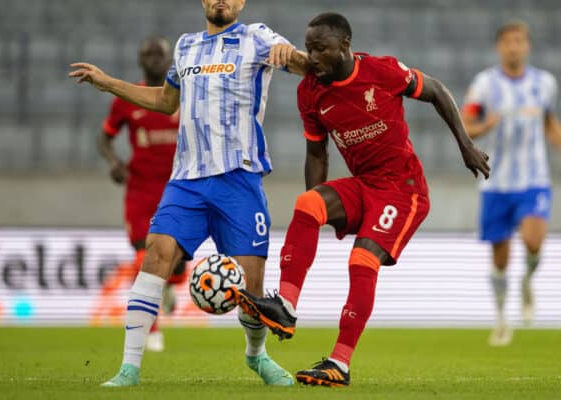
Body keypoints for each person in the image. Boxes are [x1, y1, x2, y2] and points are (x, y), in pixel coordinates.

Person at [236, 12, 490, 387]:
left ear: (345, 46)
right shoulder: (309, 91)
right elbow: (317, 155)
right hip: (364, 184)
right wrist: (314, 219)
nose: (313, 57)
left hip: (403, 189)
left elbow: (435, 89)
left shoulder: (381, 72)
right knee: (307, 205)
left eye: (321, 49)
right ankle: (286, 306)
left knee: (362, 259)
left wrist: (466, 145)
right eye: (309, 49)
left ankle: (339, 362)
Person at [69, 0, 309, 387]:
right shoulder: (185, 46)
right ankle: (129, 368)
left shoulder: (259, 38)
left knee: (251, 286)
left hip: (240, 180)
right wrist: (108, 82)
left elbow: (307, 68)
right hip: (187, 181)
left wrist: (292, 55)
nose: (222, 0)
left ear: (241, 2)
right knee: (157, 253)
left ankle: (256, 356)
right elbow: (166, 102)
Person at [462, 21, 561, 346]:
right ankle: (503, 318)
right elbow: (465, 125)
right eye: (508, 42)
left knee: (533, 242)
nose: (514, 47)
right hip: (496, 182)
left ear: (527, 46)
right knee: (500, 258)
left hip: (534, 179)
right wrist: (486, 124)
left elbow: (549, 123)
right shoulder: (485, 85)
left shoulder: (545, 83)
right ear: (499, 47)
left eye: (519, 41)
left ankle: (528, 283)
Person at [92, 37, 188, 352]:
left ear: (169, 58)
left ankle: (169, 288)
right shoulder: (126, 99)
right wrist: (114, 162)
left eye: (159, 54)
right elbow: (104, 139)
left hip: (178, 187)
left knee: (175, 266)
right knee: (142, 256)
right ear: (140, 60)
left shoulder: (185, 94)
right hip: (141, 190)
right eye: (147, 54)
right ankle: (152, 328)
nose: (154, 60)